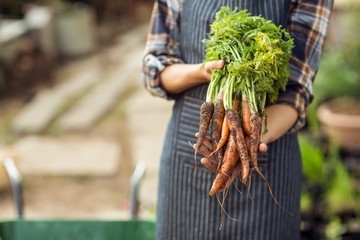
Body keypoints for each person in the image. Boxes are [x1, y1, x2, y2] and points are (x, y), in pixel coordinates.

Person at [141, 0, 333, 239]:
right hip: (191, 153)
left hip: (267, 152)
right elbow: (154, 69)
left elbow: (297, 92)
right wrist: (204, 71)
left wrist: (249, 136)